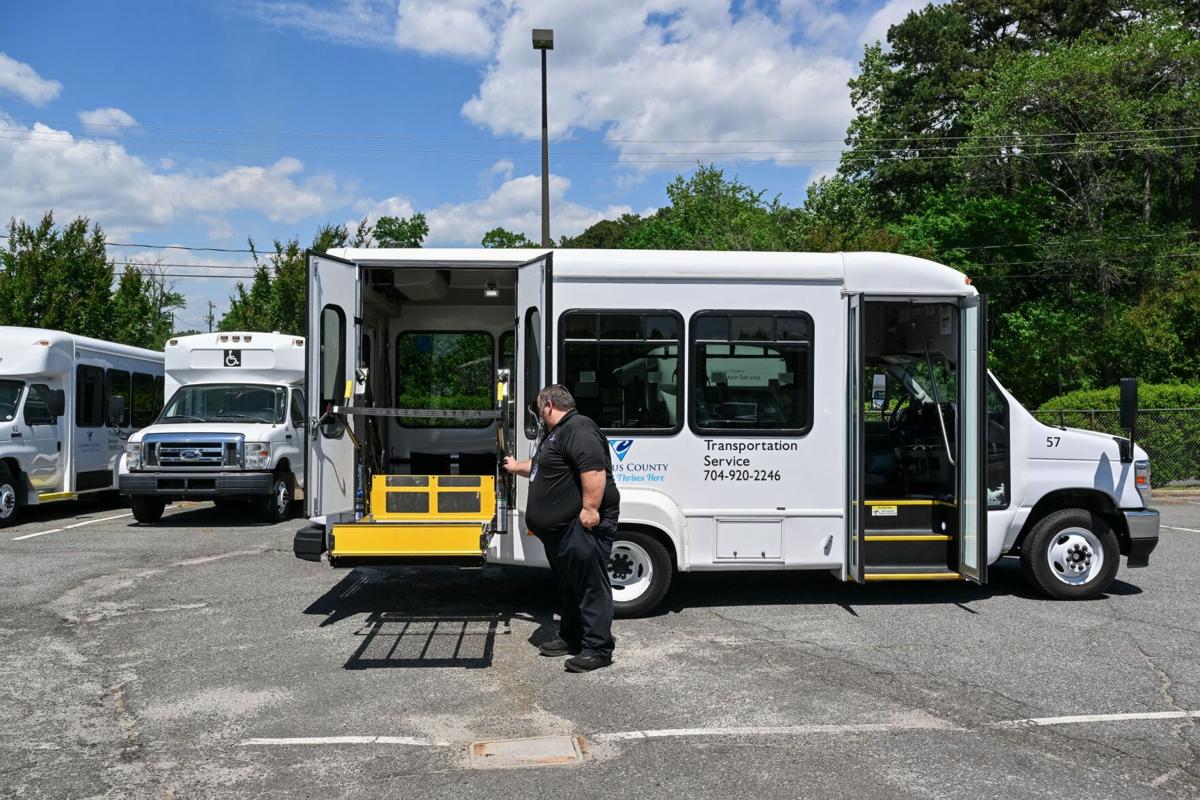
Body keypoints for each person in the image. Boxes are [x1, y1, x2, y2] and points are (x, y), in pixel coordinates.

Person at [503, 384, 621, 672]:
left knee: (590, 586)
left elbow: (593, 470)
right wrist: (516, 465)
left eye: (538, 407)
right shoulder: (557, 433)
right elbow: (542, 466)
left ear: (548, 406)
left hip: (578, 526)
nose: (538, 413)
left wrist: (591, 509)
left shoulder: (578, 428)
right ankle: (572, 637)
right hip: (558, 532)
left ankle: (598, 648)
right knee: (569, 585)